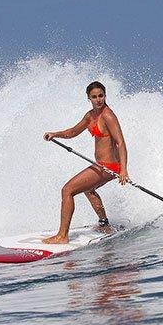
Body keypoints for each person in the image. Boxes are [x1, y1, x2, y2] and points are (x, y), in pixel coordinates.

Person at [41, 81, 129, 244]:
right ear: (88, 98)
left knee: (67, 190)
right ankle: (104, 224)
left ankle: (62, 236)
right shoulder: (90, 116)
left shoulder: (108, 115)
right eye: (94, 97)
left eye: (101, 96)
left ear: (105, 96)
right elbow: (73, 132)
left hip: (109, 166)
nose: (98, 100)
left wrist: (123, 170)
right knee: (88, 189)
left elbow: (120, 142)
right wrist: (55, 134)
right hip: (101, 166)